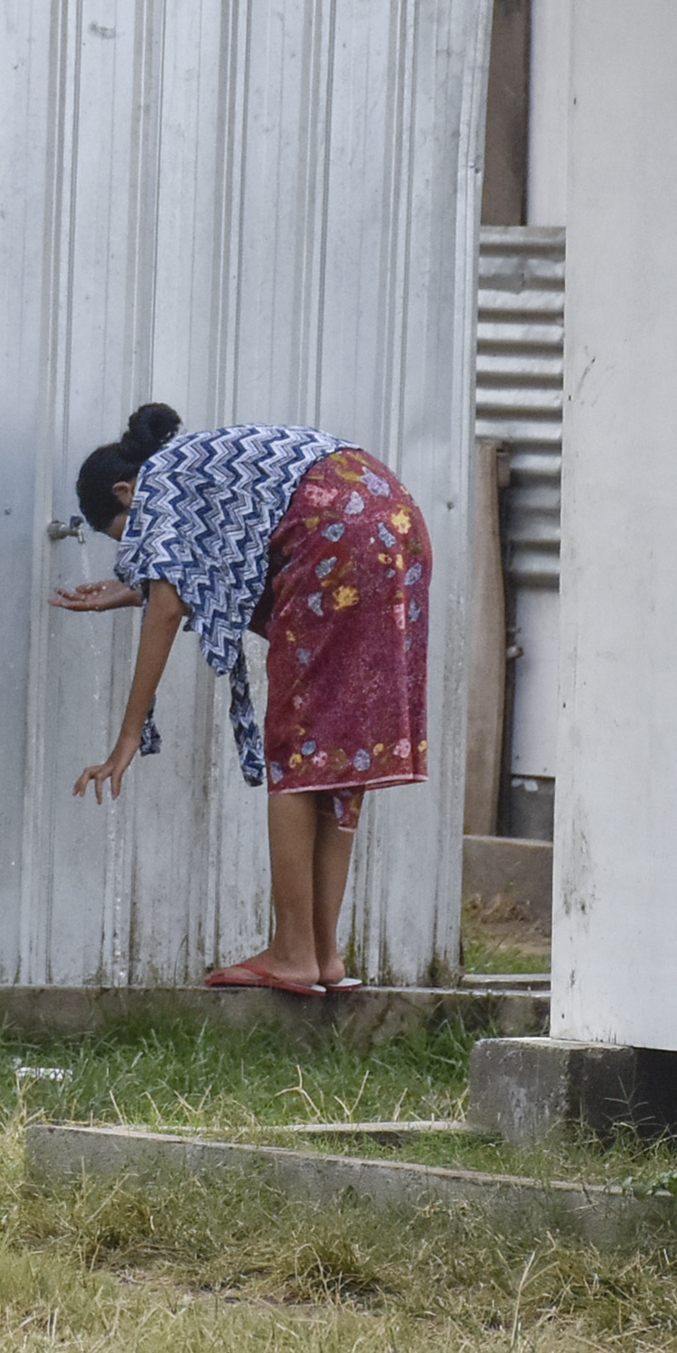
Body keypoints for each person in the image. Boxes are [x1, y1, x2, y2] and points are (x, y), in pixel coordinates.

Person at [53, 405, 431, 996]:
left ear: (126, 492)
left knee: (297, 745)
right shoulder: (200, 467)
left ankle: (292, 952)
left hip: (338, 539)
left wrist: (128, 737)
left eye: (126, 538)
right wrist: (133, 591)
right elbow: (213, 564)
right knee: (335, 749)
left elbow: (171, 605)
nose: (137, 553)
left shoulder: (159, 483)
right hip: (394, 528)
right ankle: (323, 954)